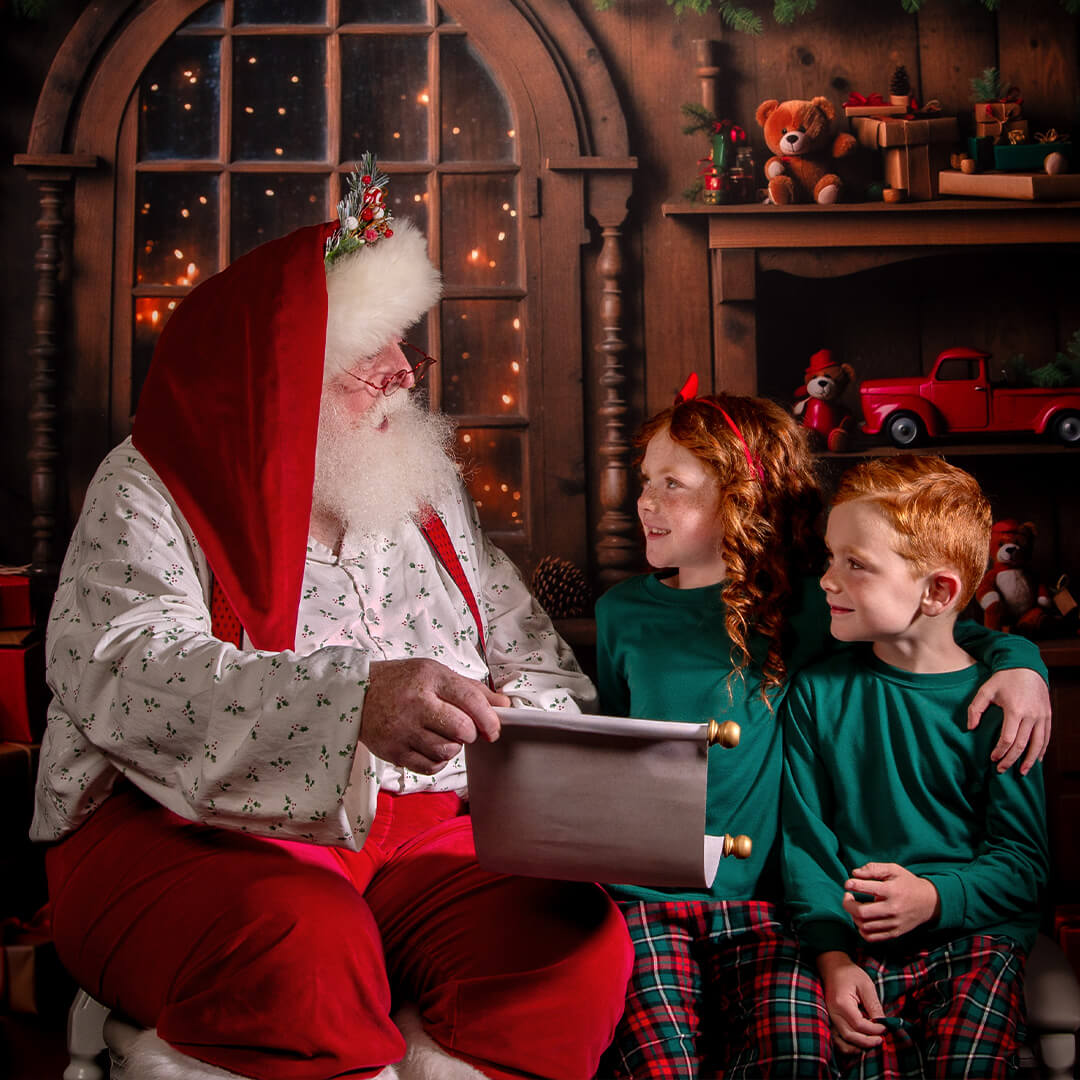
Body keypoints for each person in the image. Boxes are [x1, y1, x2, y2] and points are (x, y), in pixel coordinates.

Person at [31, 160, 632, 1080]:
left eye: (404, 345)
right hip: (188, 832)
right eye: (369, 355)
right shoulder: (154, 484)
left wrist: (532, 731)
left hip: (425, 833)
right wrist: (351, 701)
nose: (402, 372)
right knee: (298, 944)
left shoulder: (416, 484)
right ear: (279, 377)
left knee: (571, 942)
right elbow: (122, 668)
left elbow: (527, 650)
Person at [594, 383, 1051, 1078]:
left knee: (799, 1056)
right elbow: (608, 755)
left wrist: (1022, 662)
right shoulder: (621, 614)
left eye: (673, 485)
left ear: (741, 497)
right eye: (644, 481)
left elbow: (937, 630)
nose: (646, 502)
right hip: (652, 902)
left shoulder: (813, 606)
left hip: (768, 910)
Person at [780, 455, 1048, 1078]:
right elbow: (807, 846)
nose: (826, 580)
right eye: (829, 557)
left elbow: (1022, 864)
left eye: (856, 565)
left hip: (977, 938)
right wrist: (833, 960)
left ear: (937, 591)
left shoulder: (1002, 702)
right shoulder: (818, 694)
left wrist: (932, 897)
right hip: (857, 942)